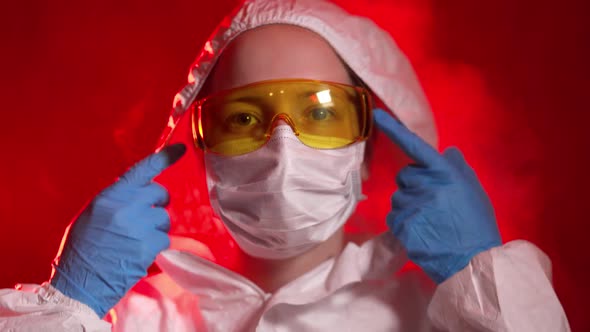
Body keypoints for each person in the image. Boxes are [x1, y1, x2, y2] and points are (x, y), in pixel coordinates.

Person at [0, 0, 571, 331]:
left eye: (320, 113)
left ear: (371, 147)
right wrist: (67, 304)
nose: (282, 147)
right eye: (244, 118)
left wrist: (487, 286)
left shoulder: (434, 313)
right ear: (201, 149)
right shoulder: (137, 319)